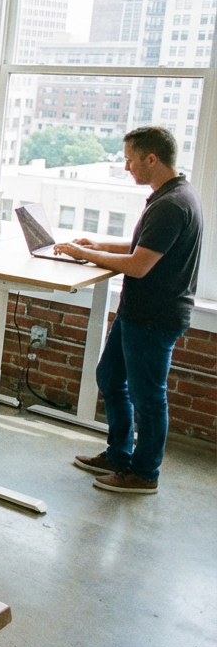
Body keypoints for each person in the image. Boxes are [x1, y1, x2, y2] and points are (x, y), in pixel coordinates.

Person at [58, 127, 203, 494]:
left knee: (149, 398)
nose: (126, 166)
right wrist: (98, 243)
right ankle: (119, 454)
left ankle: (144, 473)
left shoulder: (172, 204)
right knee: (109, 378)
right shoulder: (169, 195)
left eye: (129, 159)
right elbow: (145, 246)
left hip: (155, 318)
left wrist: (84, 254)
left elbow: (139, 265)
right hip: (137, 312)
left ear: (151, 159)